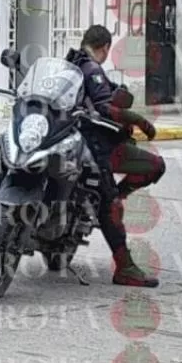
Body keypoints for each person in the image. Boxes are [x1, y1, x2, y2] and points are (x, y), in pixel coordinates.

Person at [65, 25, 164, 288]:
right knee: (151, 169)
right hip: (95, 146)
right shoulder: (91, 69)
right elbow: (105, 108)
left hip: (68, 143)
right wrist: (140, 120)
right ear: (105, 47)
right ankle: (125, 268)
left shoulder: (68, 65)